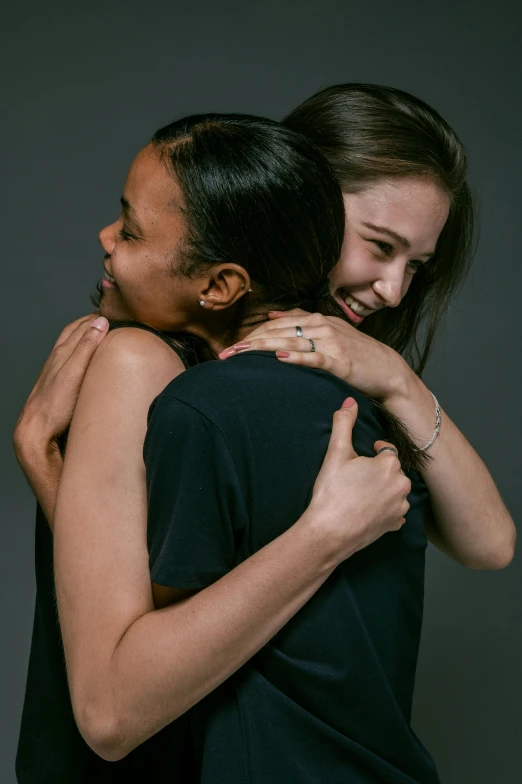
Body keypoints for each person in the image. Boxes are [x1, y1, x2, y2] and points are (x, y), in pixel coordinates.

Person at [12, 87, 514, 781]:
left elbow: (490, 543)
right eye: (379, 245)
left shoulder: (325, 386)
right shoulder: (152, 364)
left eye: (415, 266)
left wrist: (398, 380)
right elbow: (131, 656)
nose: (395, 290)